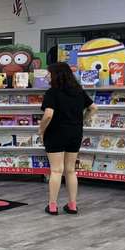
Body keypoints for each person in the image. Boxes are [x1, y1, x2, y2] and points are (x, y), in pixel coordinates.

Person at [39, 62, 96, 215]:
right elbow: (93, 107)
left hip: (55, 133)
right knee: (70, 171)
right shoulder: (78, 91)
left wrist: (41, 129)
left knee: (56, 170)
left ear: (56, 74)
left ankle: (52, 206)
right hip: (75, 133)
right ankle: (72, 205)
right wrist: (83, 120)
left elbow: (49, 114)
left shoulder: (52, 92)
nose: (47, 76)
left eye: (49, 73)